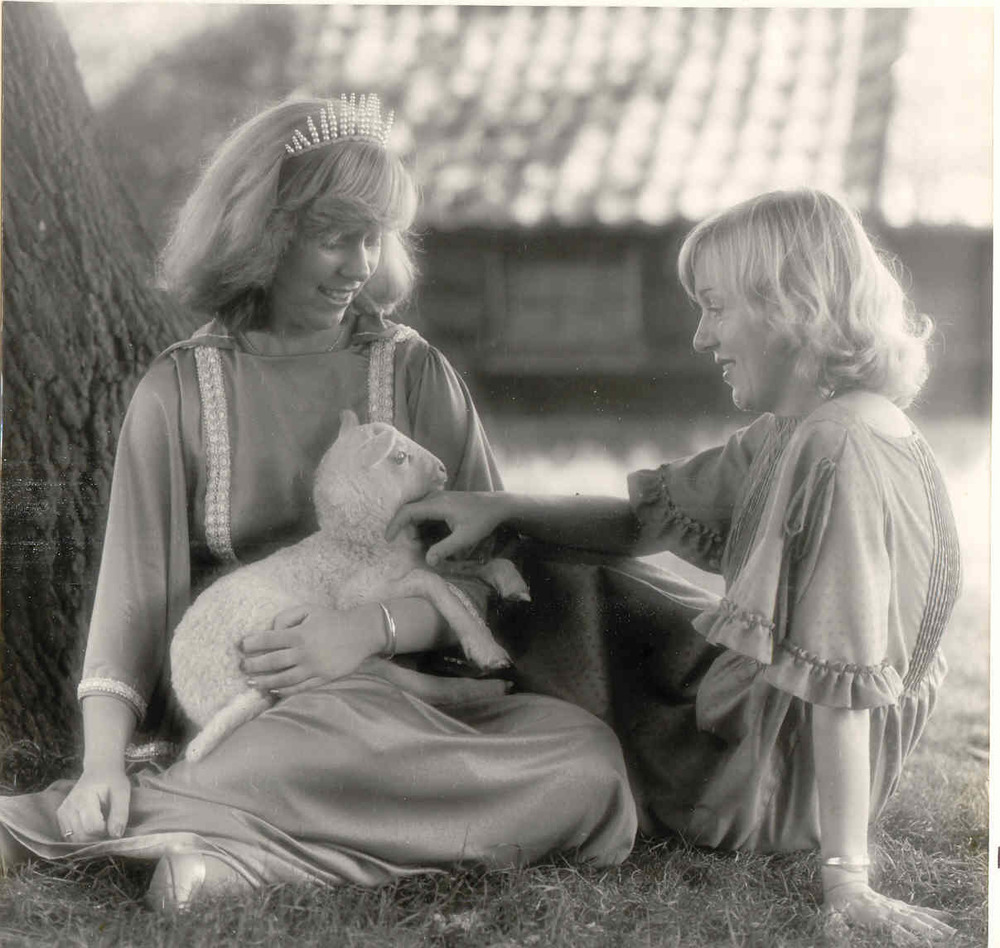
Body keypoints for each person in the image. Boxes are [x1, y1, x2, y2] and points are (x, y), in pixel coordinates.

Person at [0, 94, 637, 907]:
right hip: (269, 717)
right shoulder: (178, 390)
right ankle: (148, 826)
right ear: (262, 234)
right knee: (318, 740)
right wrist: (99, 766)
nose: (361, 265)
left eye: (377, 238)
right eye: (336, 238)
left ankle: (230, 857)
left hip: (420, 711)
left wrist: (370, 631)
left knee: (587, 762)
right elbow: (131, 604)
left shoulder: (415, 372)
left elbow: (490, 573)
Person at [388, 189, 959, 940]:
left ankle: (416, 729)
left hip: (776, 776)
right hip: (791, 738)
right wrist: (502, 507)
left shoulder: (836, 448)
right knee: (566, 562)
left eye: (716, 308)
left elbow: (841, 685)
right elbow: (642, 519)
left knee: (551, 584)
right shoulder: (807, 428)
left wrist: (847, 880)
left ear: (789, 305)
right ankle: (443, 712)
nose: (699, 336)